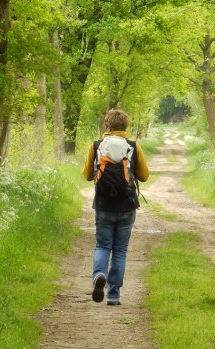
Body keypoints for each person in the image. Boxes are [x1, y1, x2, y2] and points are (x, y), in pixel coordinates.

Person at [82, 109, 149, 306]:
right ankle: (113, 295)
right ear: (125, 126)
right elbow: (144, 176)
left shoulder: (96, 146)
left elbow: (87, 175)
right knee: (120, 250)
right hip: (127, 206)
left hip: (103, 205)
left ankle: (99, 275)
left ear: (107, 125)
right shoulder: (133, 146)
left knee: (103, 245)